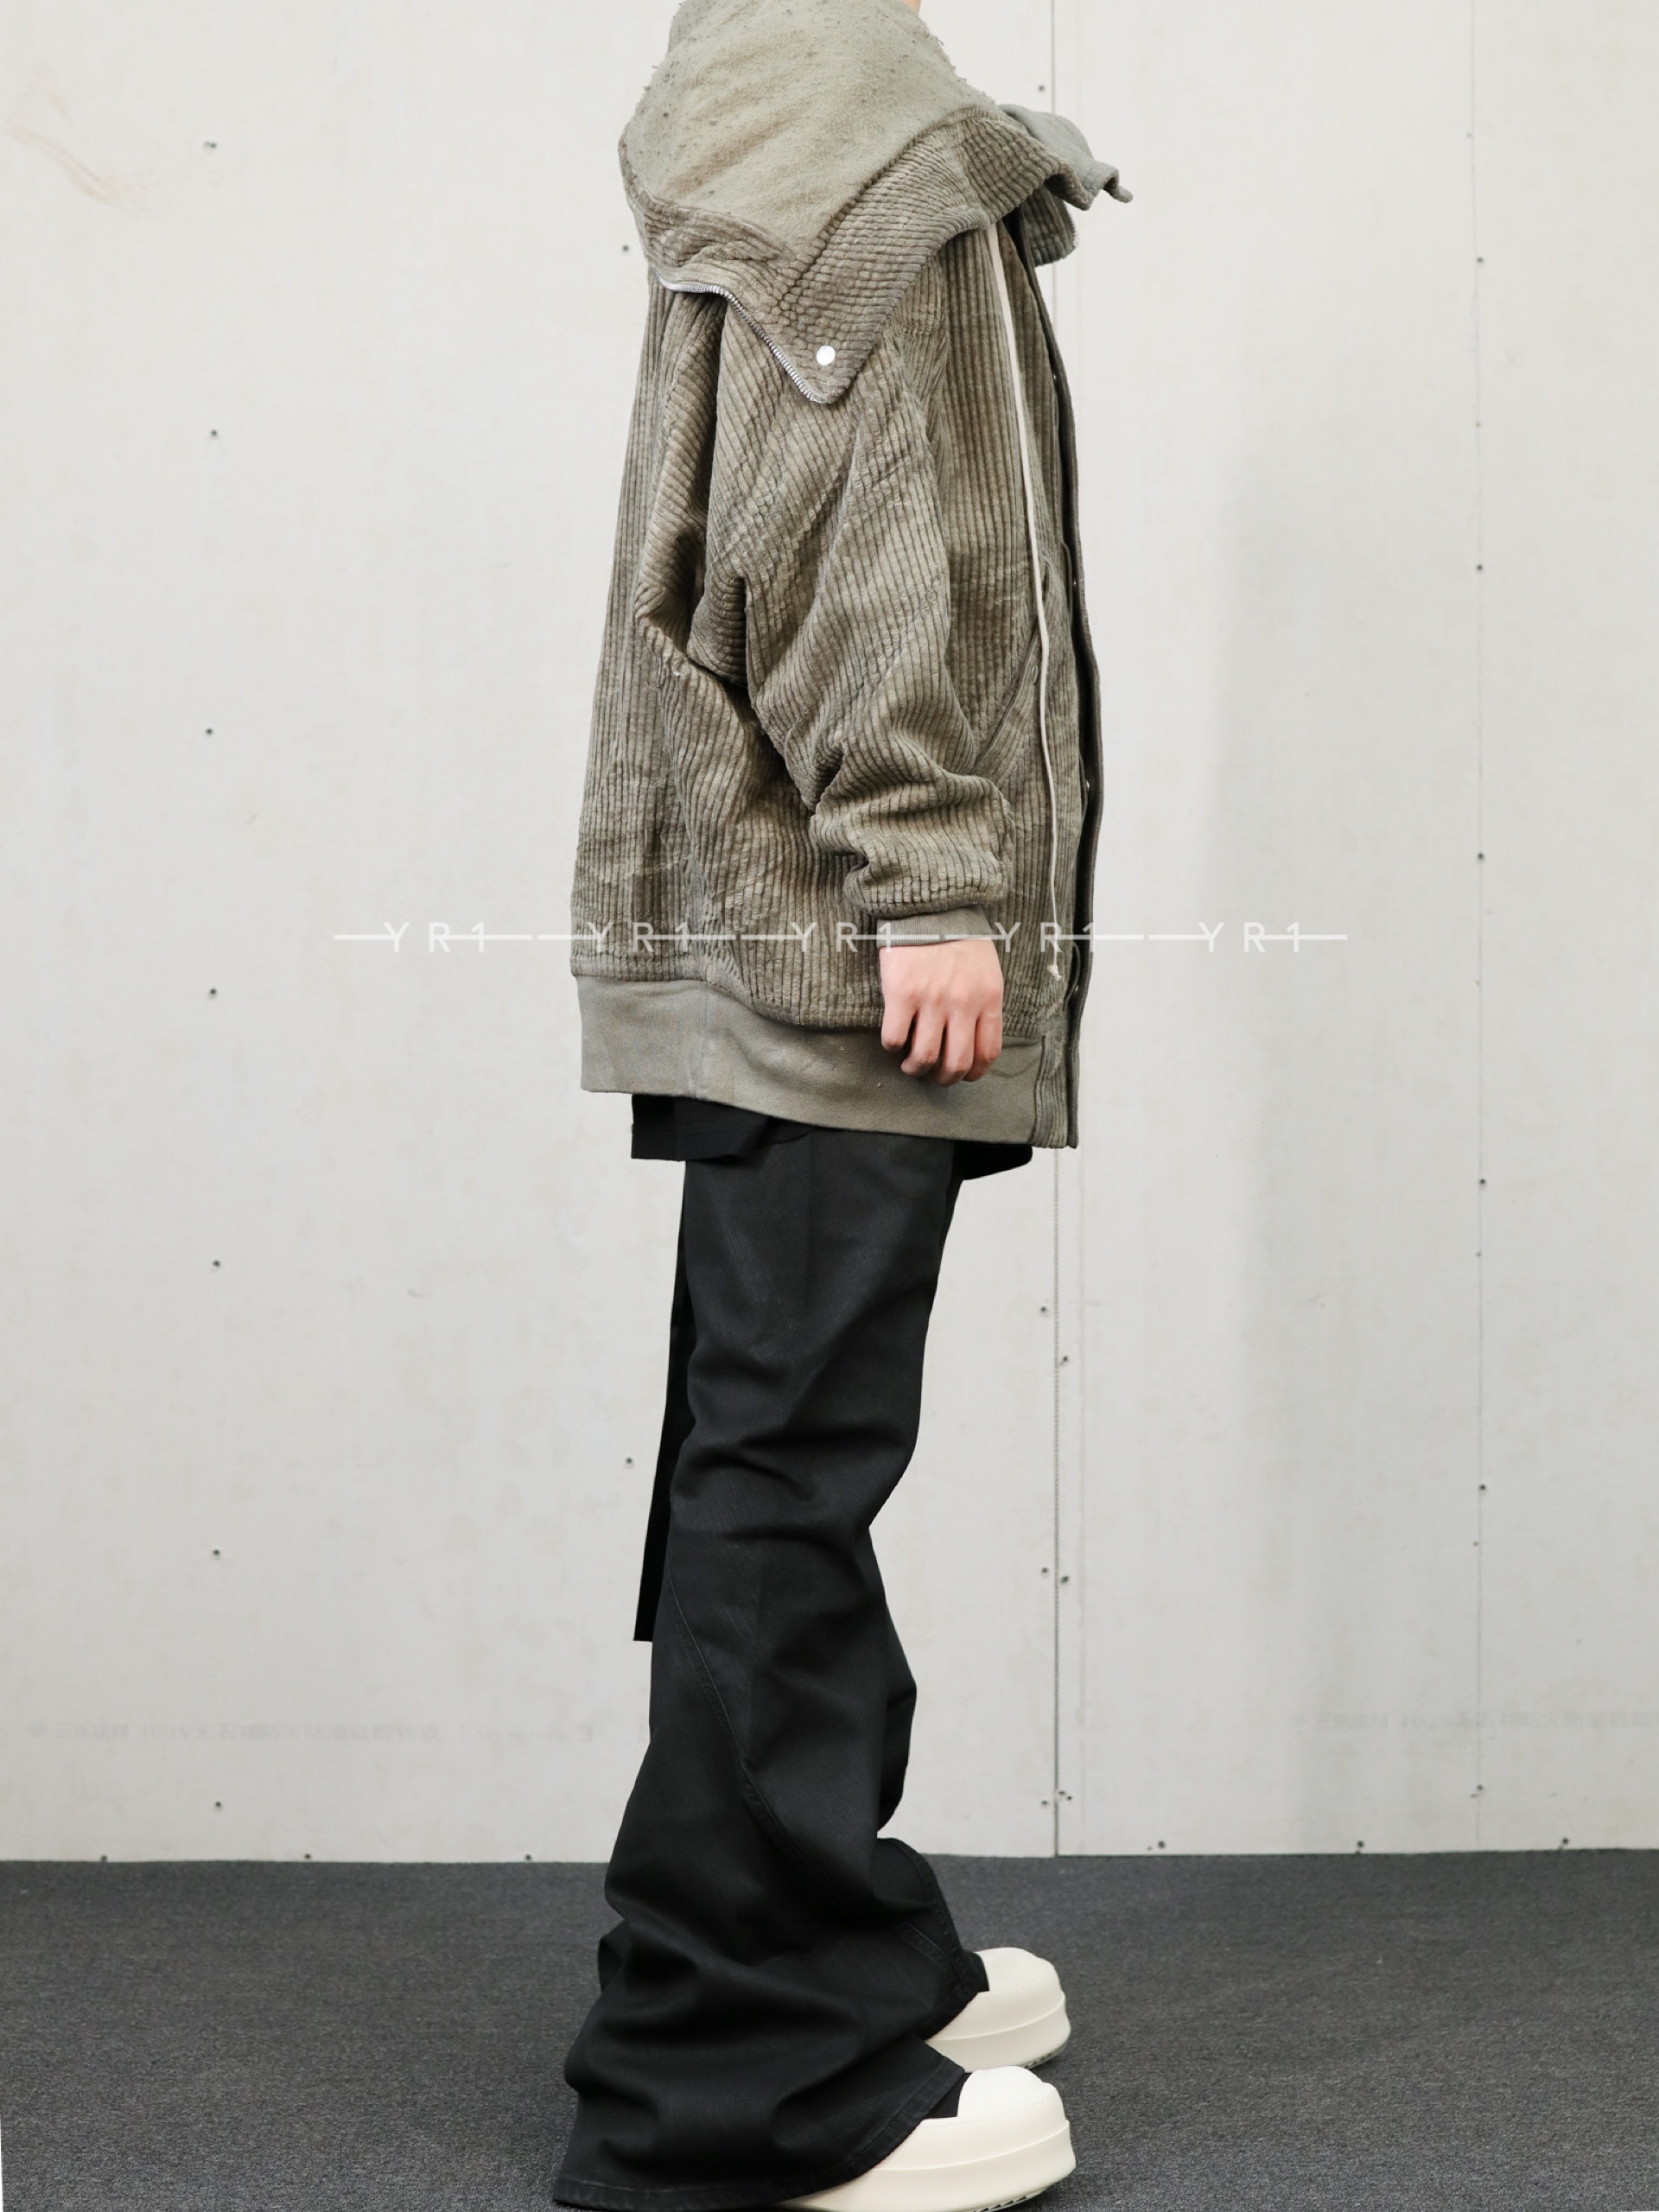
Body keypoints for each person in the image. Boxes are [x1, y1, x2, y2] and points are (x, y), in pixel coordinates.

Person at [559, 1, 1127, 2206]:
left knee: (775, 1452)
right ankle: (733, 2071)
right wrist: (930, 876)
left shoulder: (822, 104)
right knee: (783, 1478)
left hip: (792, 915)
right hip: (839, 929)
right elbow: (834, 534)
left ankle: (823, 1940)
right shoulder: (838, 135)